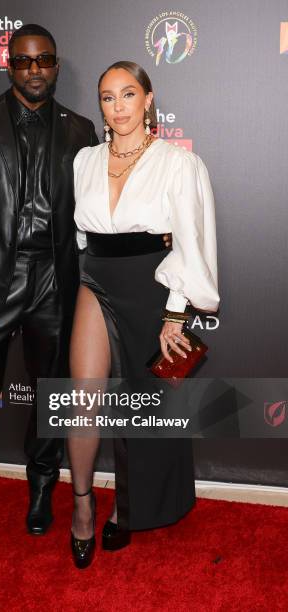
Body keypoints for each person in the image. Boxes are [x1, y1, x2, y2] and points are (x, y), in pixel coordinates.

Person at [0, 23, 102, 558]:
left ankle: (41, 491)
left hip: (55, 281)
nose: (35, 70)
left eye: (45, 60)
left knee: (53, 396)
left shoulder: (80, 129)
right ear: (10, 64)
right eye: (25, 60)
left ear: (56, 66)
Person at [69, 61, 220, 568]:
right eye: (108, 97)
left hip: (153, 287)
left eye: (128, 94)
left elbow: (191, 242)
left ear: (149, 98)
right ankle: (83, 506)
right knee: (84, 398)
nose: (118, 107)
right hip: (96, 280)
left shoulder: (179, 164)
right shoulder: (85, 160)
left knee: (145, 408)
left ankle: (130, 509)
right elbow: (81, 234)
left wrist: (175, 312)